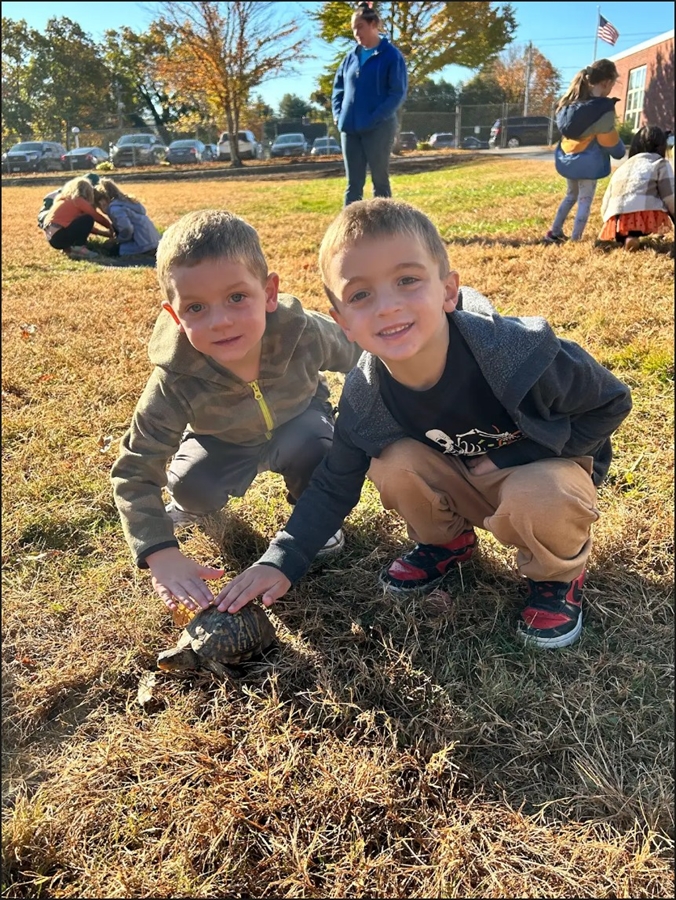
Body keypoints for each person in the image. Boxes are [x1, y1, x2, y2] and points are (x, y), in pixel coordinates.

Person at [214, 198, 632, 650]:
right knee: (390, 462)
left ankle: (557, 576)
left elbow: (611, 402)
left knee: (542, 495)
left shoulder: (517, 351)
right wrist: (281, 559)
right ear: (342, 322)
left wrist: (523, 453)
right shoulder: (366, 394)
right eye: (360, 295)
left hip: (542, 470)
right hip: (461, 474)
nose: (387, 307)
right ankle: (446, 542)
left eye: (407, 280)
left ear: (448, 290)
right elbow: (334, 483)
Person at [110, 209, 363, 614]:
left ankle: (314, 513)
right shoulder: (175, 378)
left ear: (269, 292)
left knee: (317, 450)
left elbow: (364, 354)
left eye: (236, 298)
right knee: (191, 486)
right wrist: (159, 551)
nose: (221, 321)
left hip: (300, 423)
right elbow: (135, 467)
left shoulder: (304, 332)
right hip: (221, 440)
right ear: (174, 316)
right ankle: (190, 504)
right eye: (196, 308)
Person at [332, 1, 408, 206]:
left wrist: (376, 117)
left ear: (373, 24)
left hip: (379, 128)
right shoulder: (350, 58)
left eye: (360, 27)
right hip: (350, 129)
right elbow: (338, 89)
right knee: (353, 184)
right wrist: (338, 115)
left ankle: (384, 224)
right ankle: (349, 225)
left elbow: (397, 93)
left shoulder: (391, 56)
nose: (356, 33)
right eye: (353, 29)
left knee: (380, 182)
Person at [544, 58, 625, 244]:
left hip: (568, 158)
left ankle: (554, 231)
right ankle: (575, 239)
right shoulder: (602, 109)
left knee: (571, 195)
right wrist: (619, 150)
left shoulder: (570, 105)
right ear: (606, 82)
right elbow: (608, 140)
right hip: (589, 162)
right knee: (585, 200)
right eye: (613, 84)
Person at [598, 124, 675, 251]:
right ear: (661, 146)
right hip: (643, 215)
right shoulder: (660, 163)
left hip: (616, 219)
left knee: (627, 227)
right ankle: (635, 236)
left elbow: (607, 197)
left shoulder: (624, 166)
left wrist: (607, 218)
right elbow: (669, 196)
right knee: (654, 204)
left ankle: (627, 238)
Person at [42, 175, 113, 260]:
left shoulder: (63, 200)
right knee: (88, 218)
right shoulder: (77, 200)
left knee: (85, 220)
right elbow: (95, 216)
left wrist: (104, 233)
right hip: (60, 235)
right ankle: (79, 247)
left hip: (53, 239)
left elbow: (81, 227)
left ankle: (69, 249)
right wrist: (111, 227)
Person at [94, 178, 161, 259]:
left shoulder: (115, 209)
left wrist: (118, 240)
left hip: (142, 244)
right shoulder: (126, 203)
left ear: (102, 201)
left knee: (111, 250)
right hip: (153, 241)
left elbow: (127, 228)